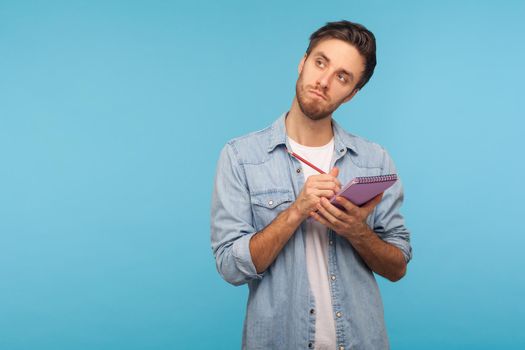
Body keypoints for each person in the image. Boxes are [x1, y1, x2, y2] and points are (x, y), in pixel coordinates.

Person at [210, 20, 412, 350]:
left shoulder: (374, 160)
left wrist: (356, 231)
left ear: (352, 94)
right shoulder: (240, 157)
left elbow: (397, 267)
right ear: (303, 62)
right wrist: (296, 211)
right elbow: (230, 268)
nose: (324, 81)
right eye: (321, 62)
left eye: (342, 77)